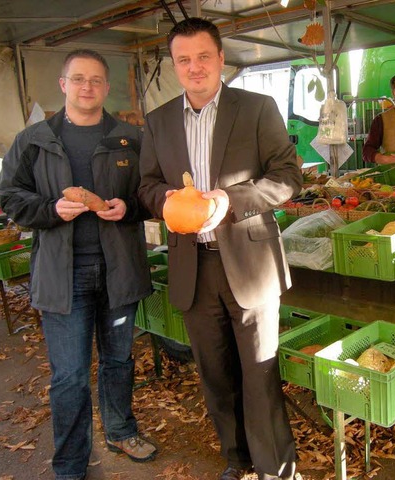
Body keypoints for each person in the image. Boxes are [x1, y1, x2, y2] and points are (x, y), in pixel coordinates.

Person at [137, 18, 302, 480]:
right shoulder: (159, 120)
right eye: (184, 59)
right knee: (215, 376)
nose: (194, 67)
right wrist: (165, 200)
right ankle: (237, 459)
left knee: (261, 372)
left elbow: (288, 177)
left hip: (249, 262)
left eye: (203, 56)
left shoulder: (255, 108)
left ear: (221, 59)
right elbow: (146, 185)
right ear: (174, 65)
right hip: (194, 265)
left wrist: (231, 200)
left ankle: (276, 469)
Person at [0, 49, 156, 480]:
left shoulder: (130, 137)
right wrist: (51, 210)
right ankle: (70, 460)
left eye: (97, 80)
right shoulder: (33, 139)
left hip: (119, 268)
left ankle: (121, 430)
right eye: (79, 79)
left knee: (119, 360)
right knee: (69, 376)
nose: (88, 87)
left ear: (106, 87)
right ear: (63, 84)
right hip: (62, 275)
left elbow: (152, 192)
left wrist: (130, 207)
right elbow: (9, 195)